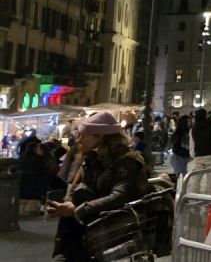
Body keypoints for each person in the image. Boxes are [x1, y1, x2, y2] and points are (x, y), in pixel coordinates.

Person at [45, 112, 149, 262]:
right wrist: (66, 203)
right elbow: (80, 188)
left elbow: (119, 196)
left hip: (110, 234)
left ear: (100, 136)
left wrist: (76, 210)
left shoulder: (127, 161)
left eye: (83, 135)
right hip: (86, 230)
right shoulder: (93, 158)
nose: (79, 140)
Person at [186, 109, 211, 173]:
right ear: (206, 115)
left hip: (199, 156)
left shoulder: (193, 129)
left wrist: (193, 154)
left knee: (196, 179)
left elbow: (191, 144)